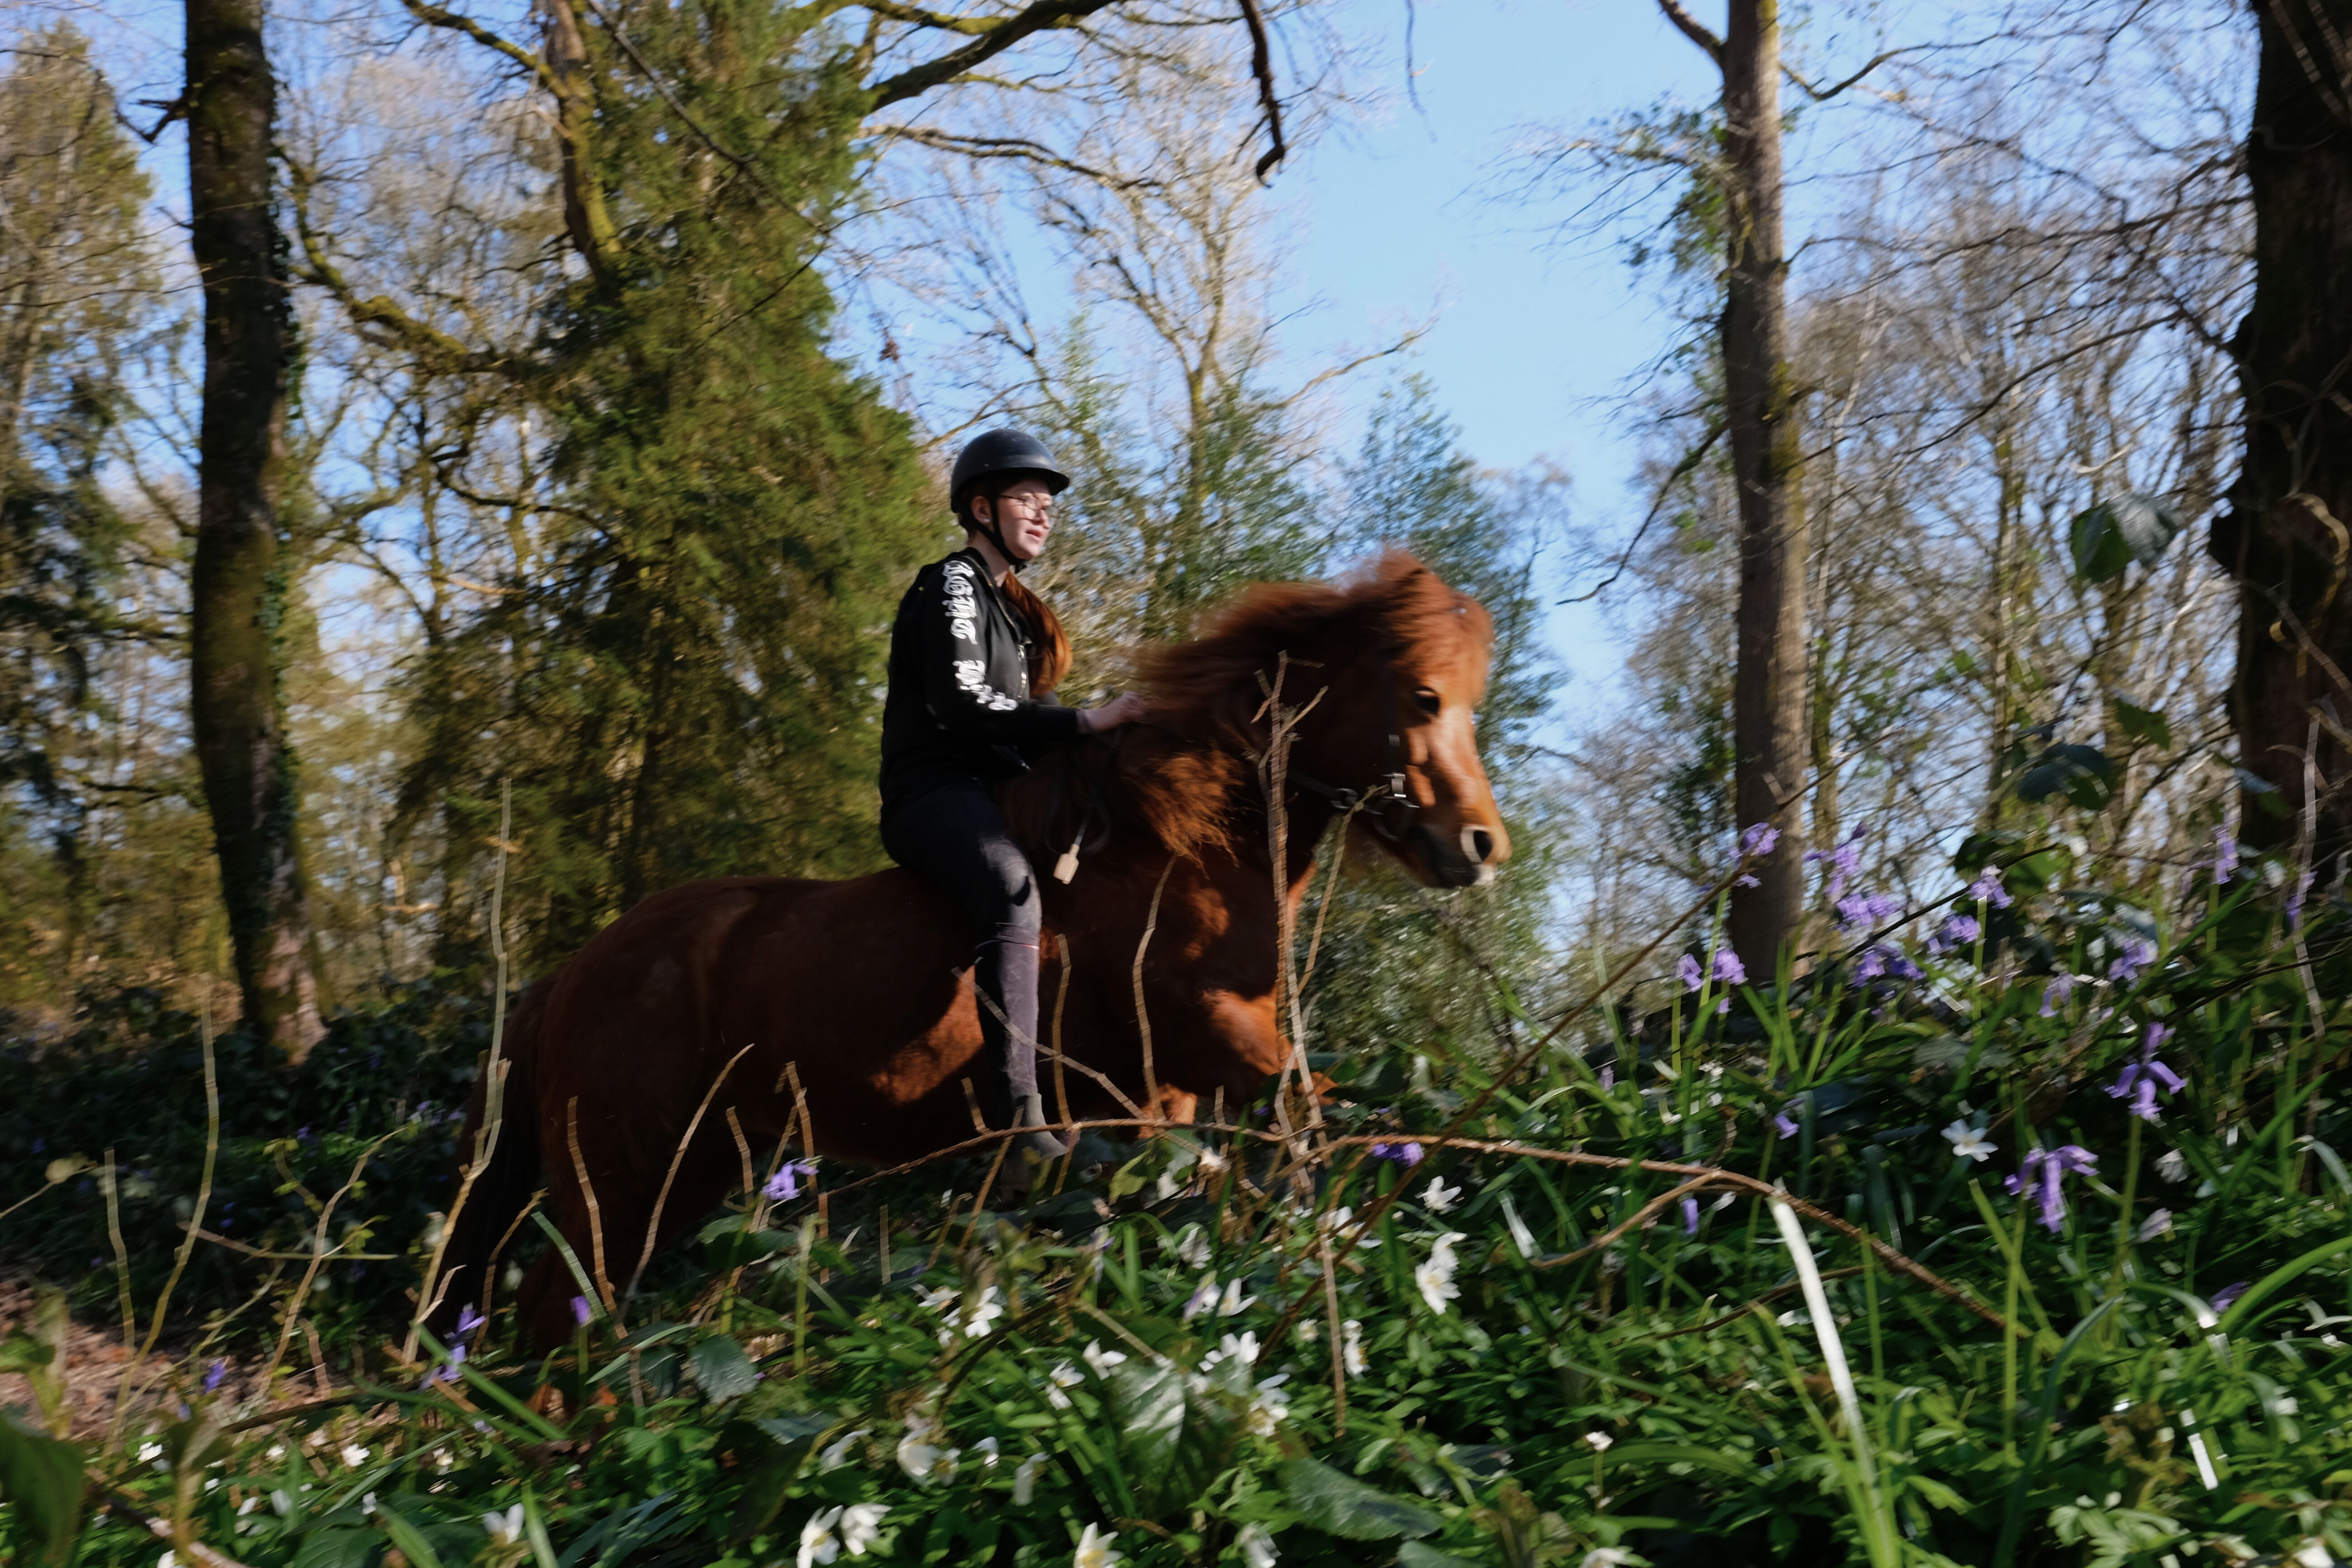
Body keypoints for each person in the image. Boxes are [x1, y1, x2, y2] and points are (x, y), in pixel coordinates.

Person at [880, 429, 1147, 1159]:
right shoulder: (952, 584)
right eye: (1027, 500)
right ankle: (1020, 1119)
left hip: (995, 793)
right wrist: (1087, 721)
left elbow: (1031, 733)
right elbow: (965, 705)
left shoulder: (1016, 615)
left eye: (1048, 505)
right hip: (933, 792)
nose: (1043, 514)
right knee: (1010, 886)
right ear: (981, 509)